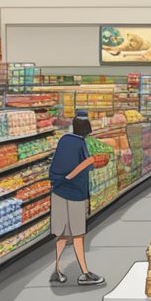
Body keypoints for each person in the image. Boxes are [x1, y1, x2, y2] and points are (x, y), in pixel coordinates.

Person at [47, 115, 107, 286]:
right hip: (75, 193)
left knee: (62, 234)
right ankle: (85, 273)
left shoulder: (64, 140)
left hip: (57, 192)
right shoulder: (81, 143)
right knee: (78, 235)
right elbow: (82, 167)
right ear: (87, 130)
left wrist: (62, 179)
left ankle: (57, 270)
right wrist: (91, 160)